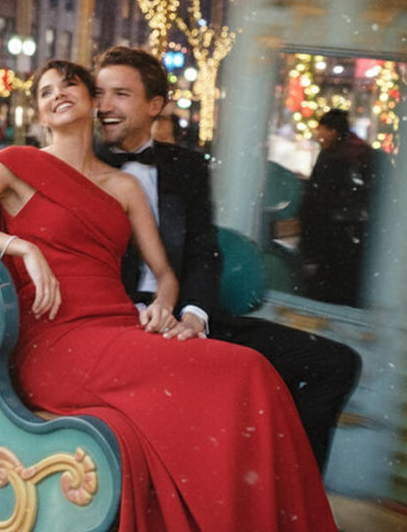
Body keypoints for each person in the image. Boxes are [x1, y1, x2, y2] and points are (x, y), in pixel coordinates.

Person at [0, 58, 347, 532]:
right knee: (244, 372)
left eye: (68, 85)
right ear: (39, 111)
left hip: (119, 329)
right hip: (56, 344)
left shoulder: (122, 187)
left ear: (91, 101)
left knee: (253, 376)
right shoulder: (12, 164)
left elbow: (166, 273)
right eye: (45, 91)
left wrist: (166, 305)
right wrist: (20, 246)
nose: (56, 95)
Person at [93, 46, 360, 473]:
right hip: (122, 327)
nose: (104, 107)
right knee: (228, 384)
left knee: (336, 363)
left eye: (120, 95)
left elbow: (202, 250)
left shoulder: (187, 167)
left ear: (154, 105)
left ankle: (289, 503)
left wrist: (196, 315)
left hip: (189, 318)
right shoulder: (78, 163)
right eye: (99, 93)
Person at [299, 108, 376, 307]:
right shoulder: (368, 155)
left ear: (332, 131)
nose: (319, 137)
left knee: (326, 299)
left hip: (331, 243)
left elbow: (315, 204)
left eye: (321, 131)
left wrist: (309, 251)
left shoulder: (329, 158)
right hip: (360, 245)